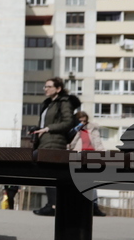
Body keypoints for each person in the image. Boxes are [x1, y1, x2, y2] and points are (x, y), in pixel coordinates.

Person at [32, 77, 75, 216]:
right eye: (45, 86)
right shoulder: (49, 103)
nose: (45, 89)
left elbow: (68, 122)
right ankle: (53, 204)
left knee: (50, 173)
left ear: (58, 89)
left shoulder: (64, 102)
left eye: (49, 86)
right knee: (47, 173)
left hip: (55, 142)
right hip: (45, 141)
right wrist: (38, 129)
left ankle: (54, 205)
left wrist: (48, 128)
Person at [68, 111, 106, 217]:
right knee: (77, 181)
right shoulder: (75, 129)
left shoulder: (92, 129)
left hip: (92, 156)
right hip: (78, 155)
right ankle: (76, 206)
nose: (82, 123)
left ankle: (94, 206)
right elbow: (71, 143)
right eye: (80, 121)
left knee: (92, 182)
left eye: (84, 121)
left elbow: (98, 142)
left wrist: (103, 154)